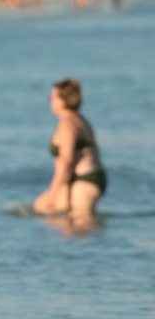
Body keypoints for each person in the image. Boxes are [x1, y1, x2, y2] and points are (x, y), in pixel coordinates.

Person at [32, 79, 106, 230]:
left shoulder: (68, 124)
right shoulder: (78, 119)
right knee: (41, 209)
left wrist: (52, 194)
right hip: (83, 179)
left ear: (63, 100)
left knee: (80, 229)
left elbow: (66, 162)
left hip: (84, 181)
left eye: (53, 97)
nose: (50, 101)